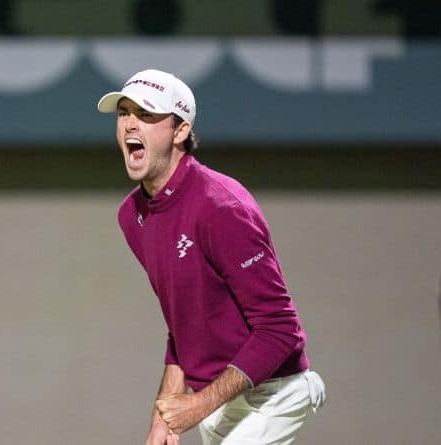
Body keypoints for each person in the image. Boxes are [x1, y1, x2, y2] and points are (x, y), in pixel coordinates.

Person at [96, 69, 325, 445]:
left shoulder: (220, 206)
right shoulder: (132, 216)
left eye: (147, 114)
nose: (130, 124)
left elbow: (281, 330)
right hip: (218, 400)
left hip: (274, 395)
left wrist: (198, 404)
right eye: (123, 113)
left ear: (181, 131)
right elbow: (183, 326)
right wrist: (164, 417)